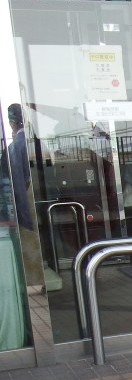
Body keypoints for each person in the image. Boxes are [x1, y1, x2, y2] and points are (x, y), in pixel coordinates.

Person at [5, 104, 43, 287]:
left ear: (11, 123)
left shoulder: (15, 147)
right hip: (41, 197)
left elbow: (18, 184)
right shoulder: (36, 142)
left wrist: (23, 217)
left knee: (31, 246)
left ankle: (37, 283)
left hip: (27, 201)